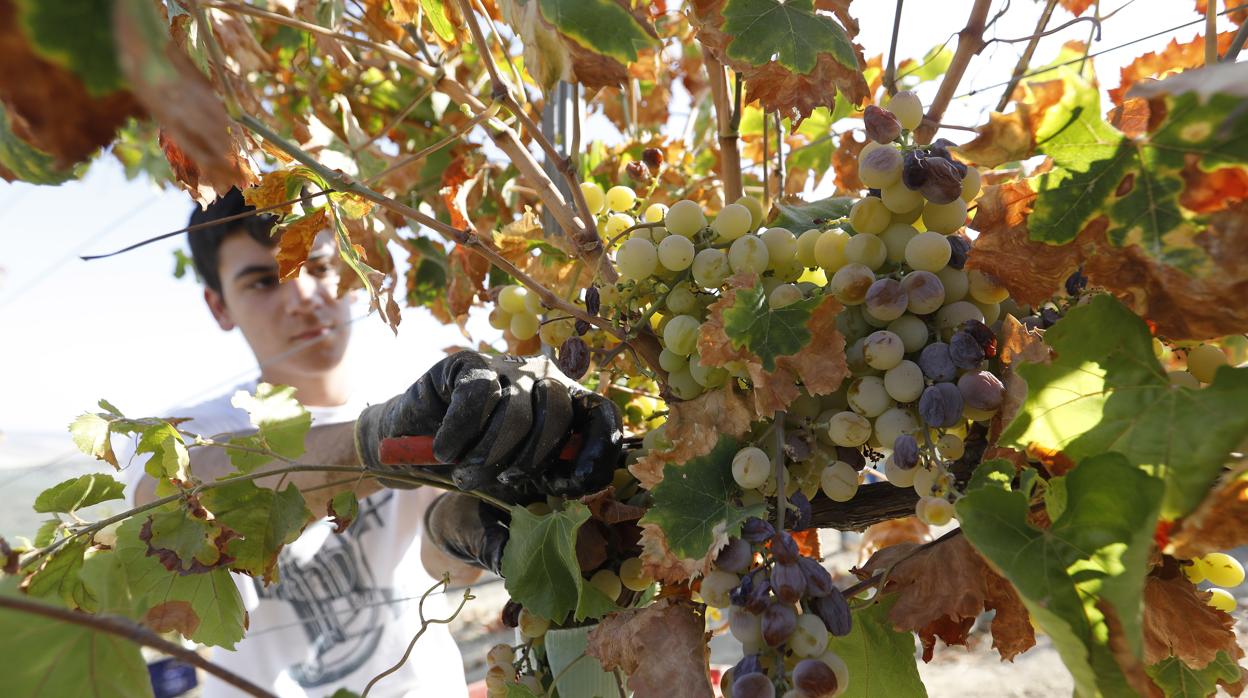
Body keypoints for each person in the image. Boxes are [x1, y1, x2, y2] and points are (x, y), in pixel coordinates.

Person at [122, 188, 622, 698]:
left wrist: (464, 529)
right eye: (264, 282)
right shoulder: (184, 434)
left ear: (350, 273)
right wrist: (376, 442)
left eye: (316, 267)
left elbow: (438, 561)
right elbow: (172, 503)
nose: (301, 297)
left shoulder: (418, 396)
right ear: (218, 306)